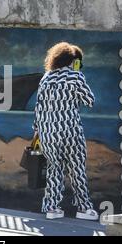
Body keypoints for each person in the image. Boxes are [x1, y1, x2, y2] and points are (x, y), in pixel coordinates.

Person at [32, 42, 98, 221]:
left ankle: (52, 208)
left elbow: (38, 109)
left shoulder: (45, 78)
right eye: (78, 63)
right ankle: (84, 208)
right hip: (70, 131)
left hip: (48, 134)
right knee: (77, 168)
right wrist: (77, 76)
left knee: (55, 169)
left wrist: (37, 131)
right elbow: (90, 100)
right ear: (73, 61)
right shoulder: (75, 76)